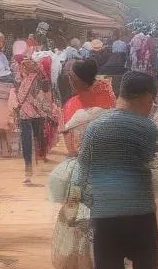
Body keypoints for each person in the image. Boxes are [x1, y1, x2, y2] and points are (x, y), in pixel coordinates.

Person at [75, 72, 158, 269]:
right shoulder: (147, 128)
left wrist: (80, 201)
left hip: (105, 216)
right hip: (140, 213)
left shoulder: (95, 128)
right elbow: (155, 167)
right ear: (146, 97)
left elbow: (82, 169)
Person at [13, 55, 56, 184]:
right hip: (30, 112)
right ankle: (29, 168)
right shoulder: (23, 76)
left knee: (34, 138)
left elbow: (46, 91)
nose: (28, 66)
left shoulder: (38, 77)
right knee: (29, 139)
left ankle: (31, 166)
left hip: (35, 112)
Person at [62, 59, 115, 125]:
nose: (70, 81)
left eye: (71, 77)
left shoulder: (72, 104)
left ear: (79, 80)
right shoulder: (107, 91)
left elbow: (66, 130)